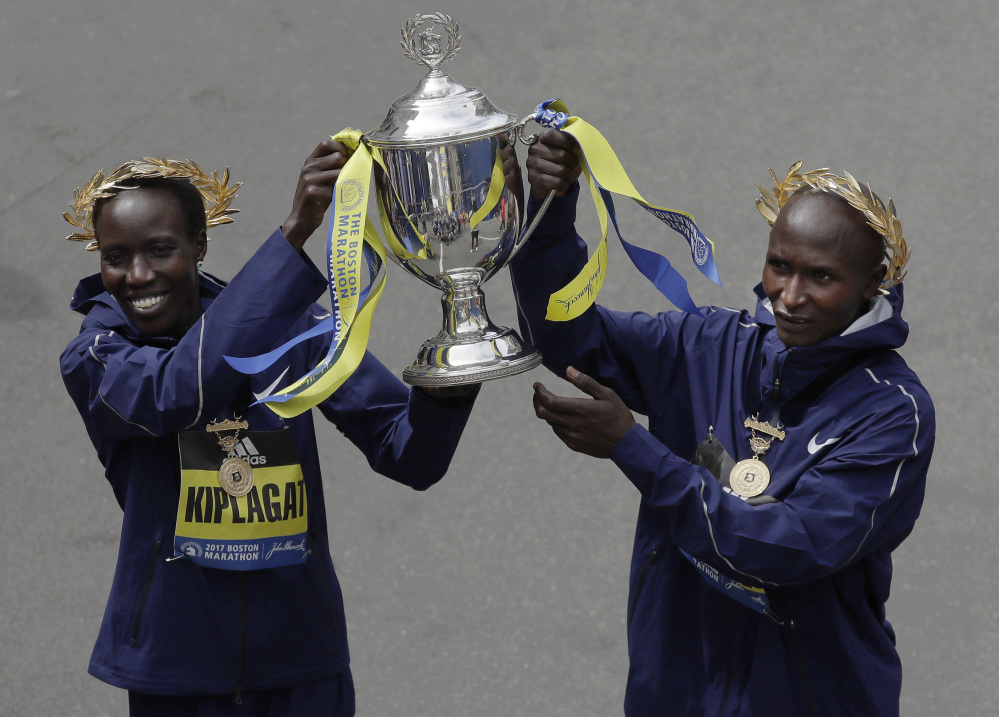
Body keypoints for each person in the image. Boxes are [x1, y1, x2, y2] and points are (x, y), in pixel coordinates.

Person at [510, 129, 934, 716]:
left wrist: (633, 449)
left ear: (872, 284)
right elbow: (568, 337)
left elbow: (787, 548)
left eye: (822, 277)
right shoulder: (707, 344)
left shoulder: (892, 414)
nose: (789, 296)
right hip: (674, 695)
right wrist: (551, 212)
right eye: (779, 266)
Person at [60, 140, 479, 715]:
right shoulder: (97, 357)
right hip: (176, 669)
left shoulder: (290, 331)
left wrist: (448, 382)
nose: (137, 275)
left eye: (161, 250)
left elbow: (409, 454)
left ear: (199, 246)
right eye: (115, 256)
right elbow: (179, 391)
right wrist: (294, 232)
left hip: (301, 662)